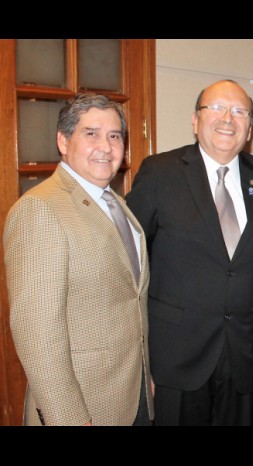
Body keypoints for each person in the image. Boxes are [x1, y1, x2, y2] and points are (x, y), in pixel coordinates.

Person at [126, 80, 253, 425]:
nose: (228, 118)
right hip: (177, 354)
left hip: (245, 352)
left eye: (240, 111)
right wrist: (138, 357)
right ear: (195, 120)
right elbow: (130, 263)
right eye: (216, 108)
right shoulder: (159, 172)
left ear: (250, 127)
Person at [4, 93, 152, 426]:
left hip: (130, 396)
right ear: (63, 140)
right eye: (91, 133)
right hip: (83, 407)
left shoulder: (117, 204)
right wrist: (69, 418)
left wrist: (145, 377)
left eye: (115, 136)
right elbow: (37, 334)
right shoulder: (41, 209)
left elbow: (129, 300)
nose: (106, 146)